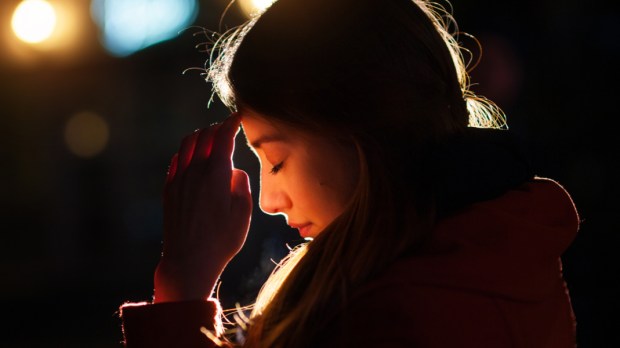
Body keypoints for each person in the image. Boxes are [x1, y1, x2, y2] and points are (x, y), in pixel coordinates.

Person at [119, 0, 580, 346]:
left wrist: (183, 289)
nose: (268, 201)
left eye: (276, 160)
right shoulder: (493, 253)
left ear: (360, 131)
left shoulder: (399, 316)